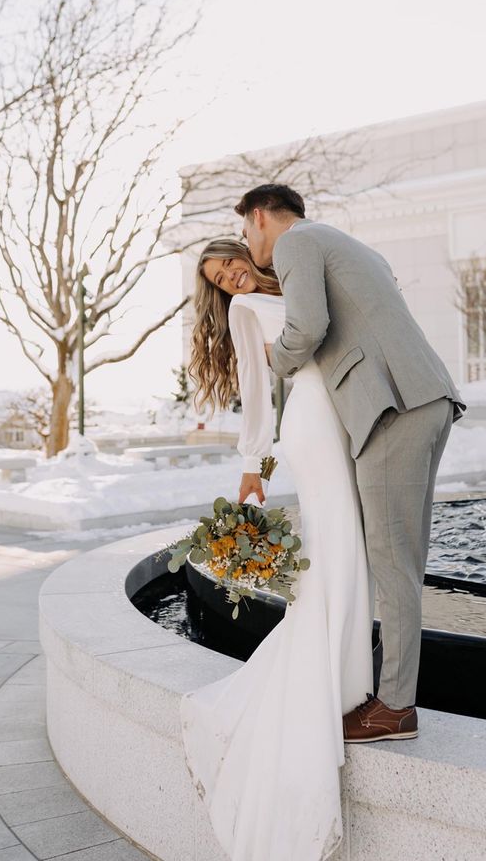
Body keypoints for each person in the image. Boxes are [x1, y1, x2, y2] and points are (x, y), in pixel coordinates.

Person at [236, 183, 466, 740]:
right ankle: (390, 694)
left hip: (392, 408)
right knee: (398, 556)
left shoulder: (295, 244)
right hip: (422, 397)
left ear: (261, 215)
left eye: (245, 230)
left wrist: (277, 357)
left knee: (394, 562)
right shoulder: (354, 246)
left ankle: (396, 707)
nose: (246, 244)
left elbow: (308, 327)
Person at [181, 236, 375, 861]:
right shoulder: (246, 313)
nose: (230, 278)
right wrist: (254, 471)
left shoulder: (293, 283)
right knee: (338, 541)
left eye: (230, 263)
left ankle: (347, 677)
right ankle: (336, 685)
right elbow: (260, 394)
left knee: (352, 547)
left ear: (247, 250)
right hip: (311, 425)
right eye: (217, 278)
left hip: (345, 412)